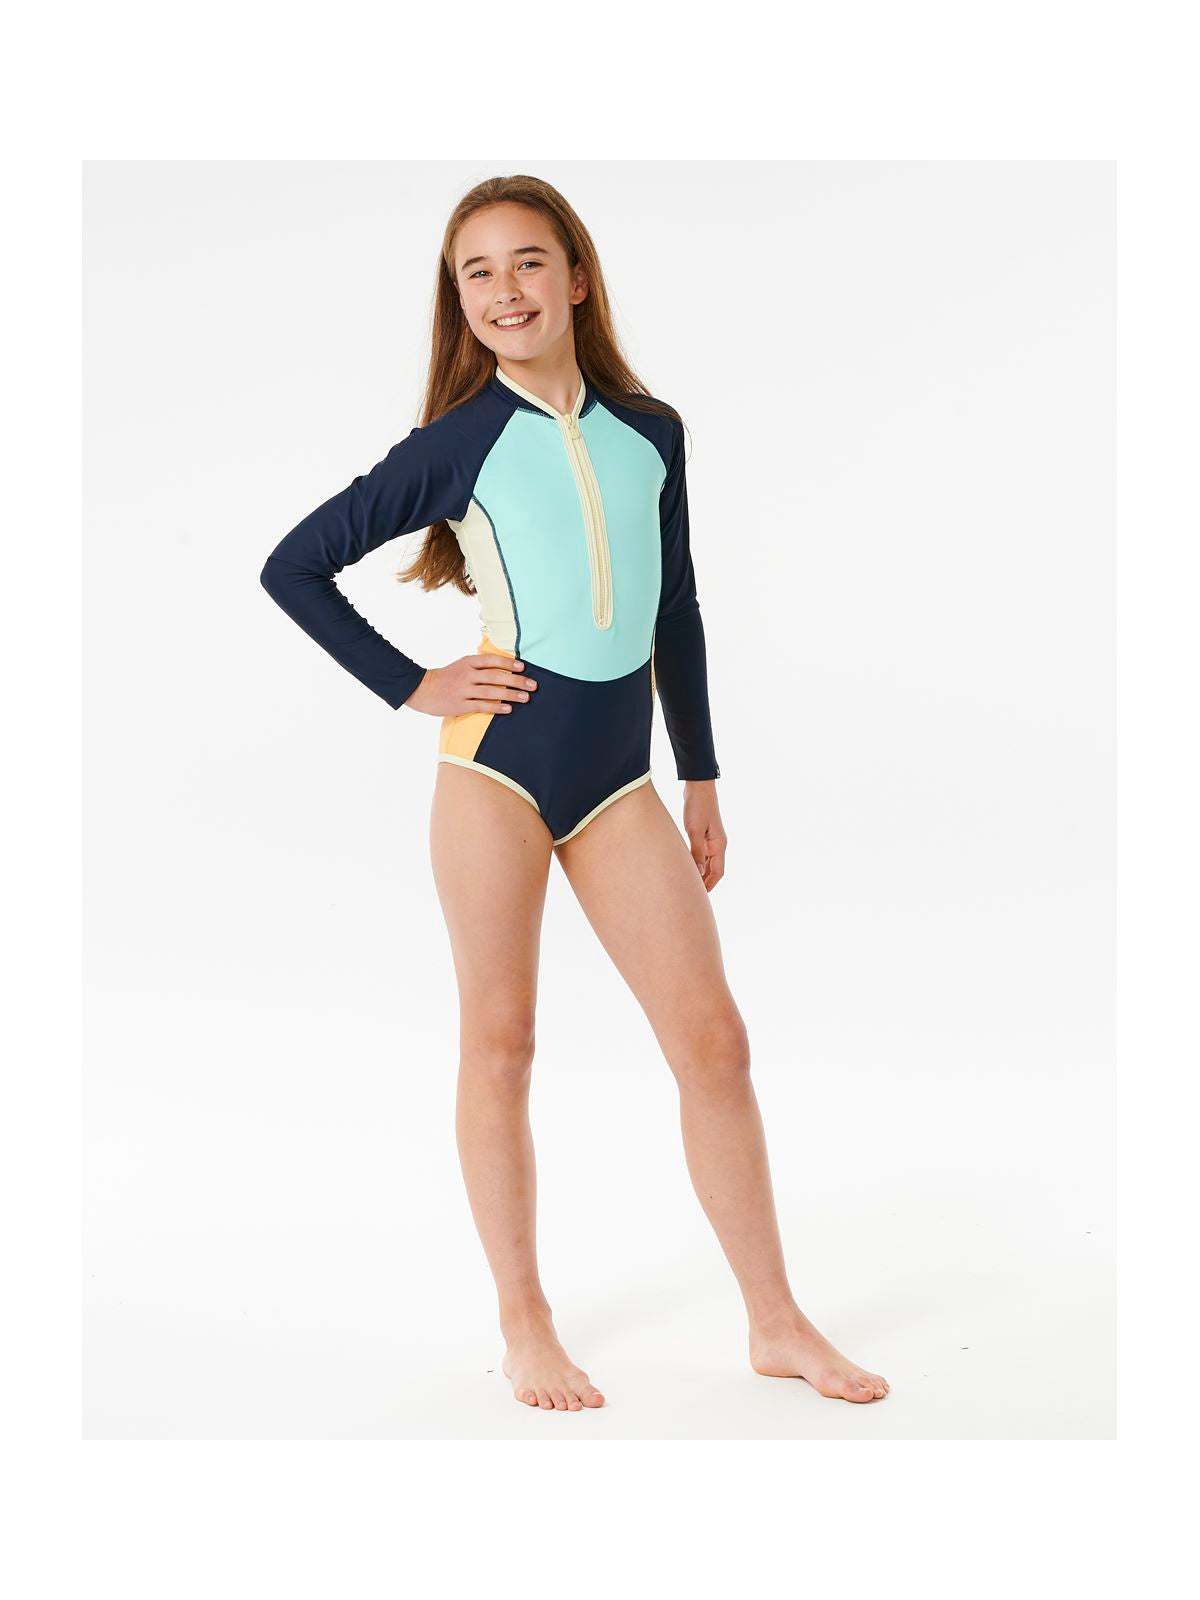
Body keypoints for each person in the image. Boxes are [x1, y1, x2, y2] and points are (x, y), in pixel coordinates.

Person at [260, 174, 889, 1411]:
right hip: (494, 773)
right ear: (458, 301)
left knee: (715, 1041)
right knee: (502, 1041)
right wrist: (413, 683)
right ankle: (525, 1319)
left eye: (529, 261)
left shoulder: (652, 431)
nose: (506, 290)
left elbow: (676, 607)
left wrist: (700, 773)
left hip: (618, 783)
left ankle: (775, 1321)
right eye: (478, 273)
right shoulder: (457, 443)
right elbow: (294, 566)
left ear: (578, 278)